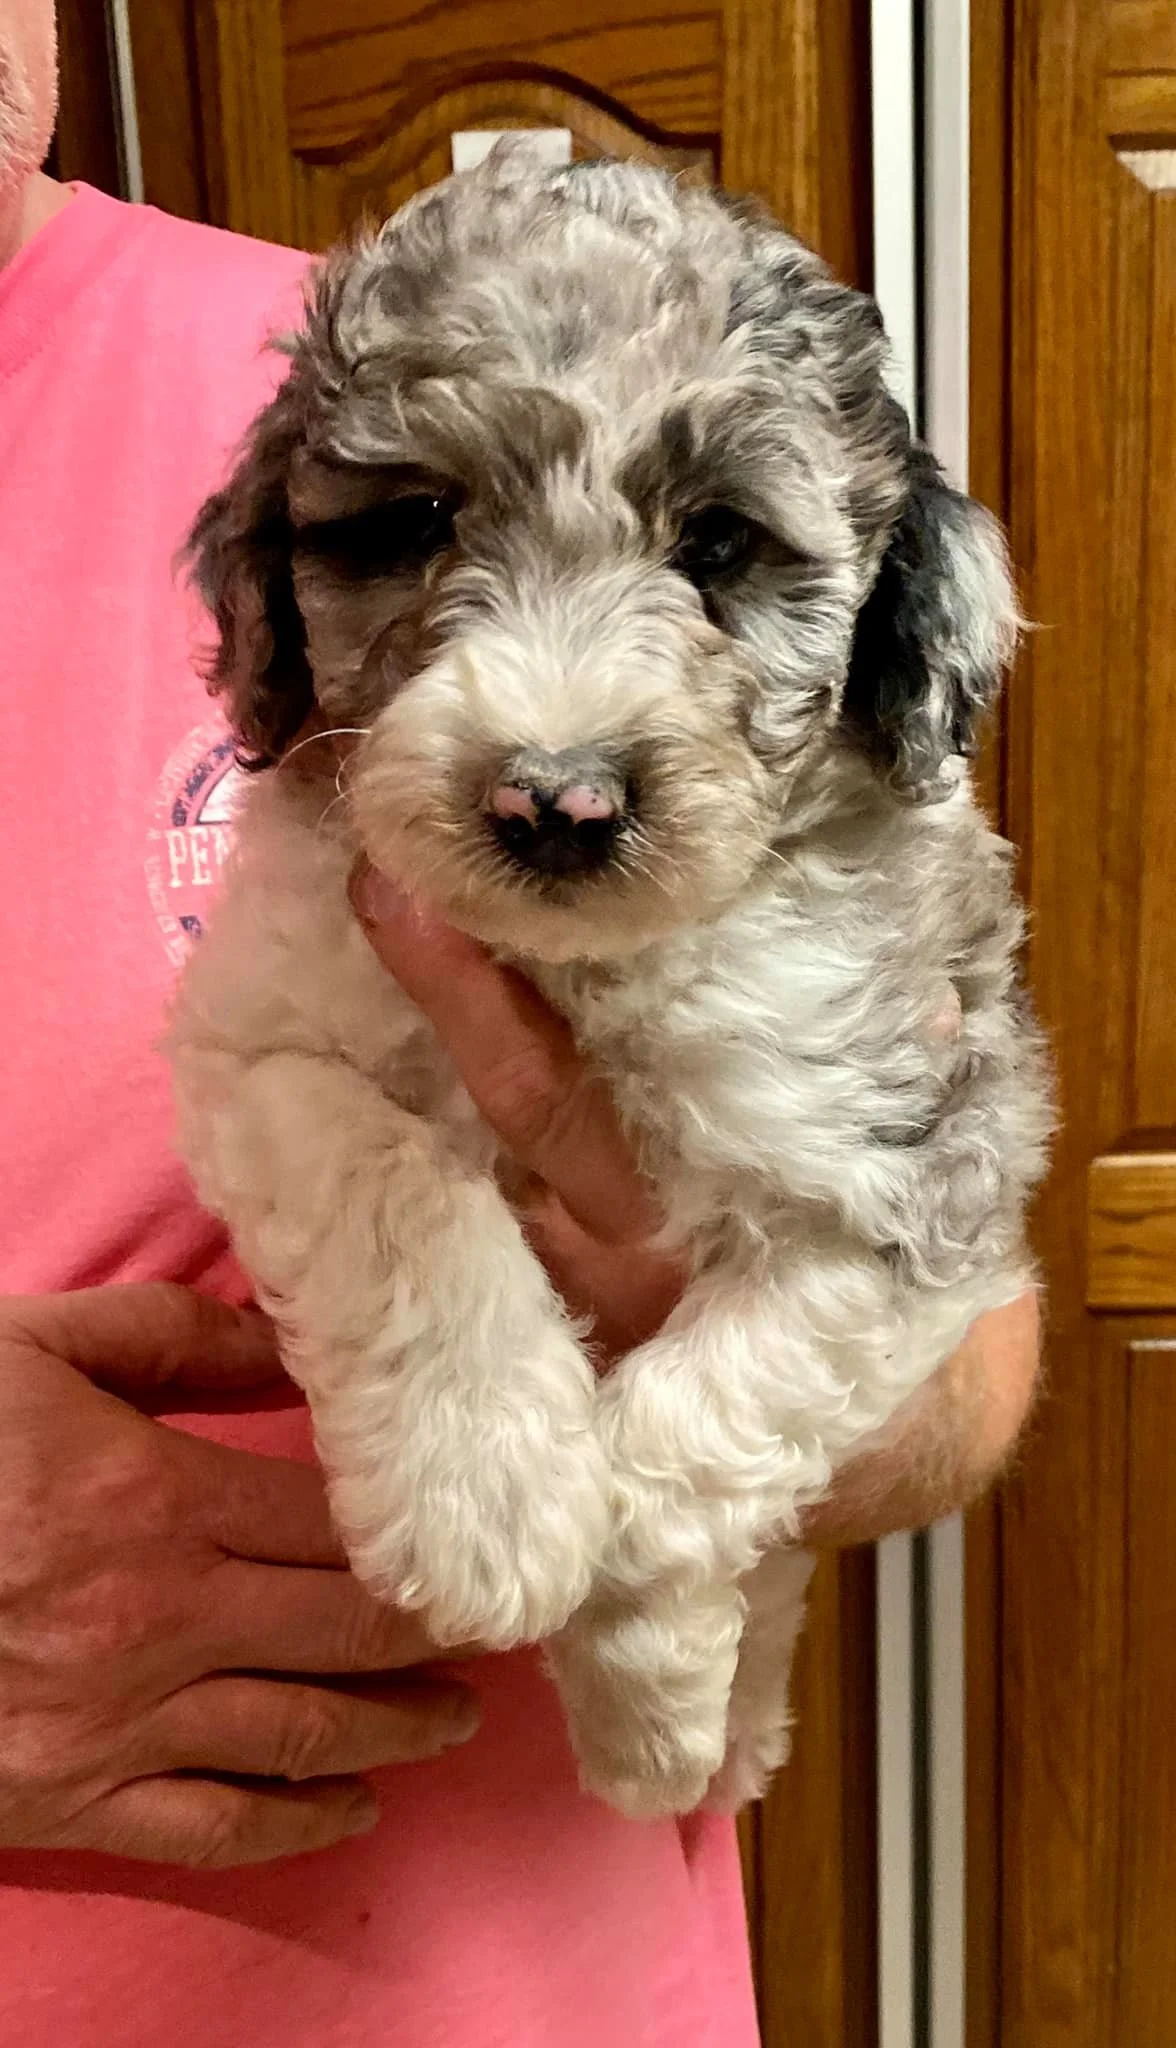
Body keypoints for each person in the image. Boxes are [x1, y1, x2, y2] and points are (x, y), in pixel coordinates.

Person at [0, 5, 1040, 2043]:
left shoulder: (378, 335)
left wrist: (678, 1475)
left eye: (716, 551)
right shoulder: (334, 469)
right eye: (413, 547)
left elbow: (962, 1335)